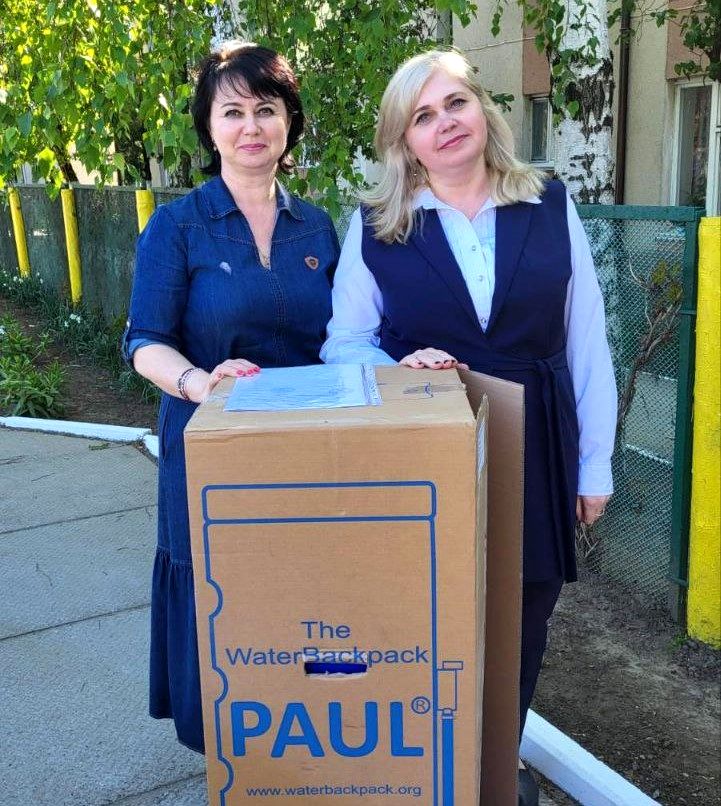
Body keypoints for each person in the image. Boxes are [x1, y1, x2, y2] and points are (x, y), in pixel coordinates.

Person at [321, 49, 616, 804]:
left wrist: (594, 466)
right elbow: (344, 344)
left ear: (482, 110)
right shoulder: (378, 226)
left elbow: (586, 340)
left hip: (537, 446)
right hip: (430, 456)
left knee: (522, 623)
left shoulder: (547, 203)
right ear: (404, 141)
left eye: (455, 103)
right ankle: (428, 774)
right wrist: (398, 365)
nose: (444, 123)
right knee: (429, 619)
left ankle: (491, 774)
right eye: (422, 116)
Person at [122, 41, 339, 753]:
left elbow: (347, 338)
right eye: (233, 111)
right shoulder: (176, 227)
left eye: (266, 110)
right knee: (221, 587)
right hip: (209, 445)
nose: (251, 126)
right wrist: (198, 381)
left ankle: (309, 734)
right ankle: (230, 745)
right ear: (209, 127)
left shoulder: (318, 226)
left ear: (289, 122)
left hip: (305, 450)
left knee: (302, 587)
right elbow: (144, 341)